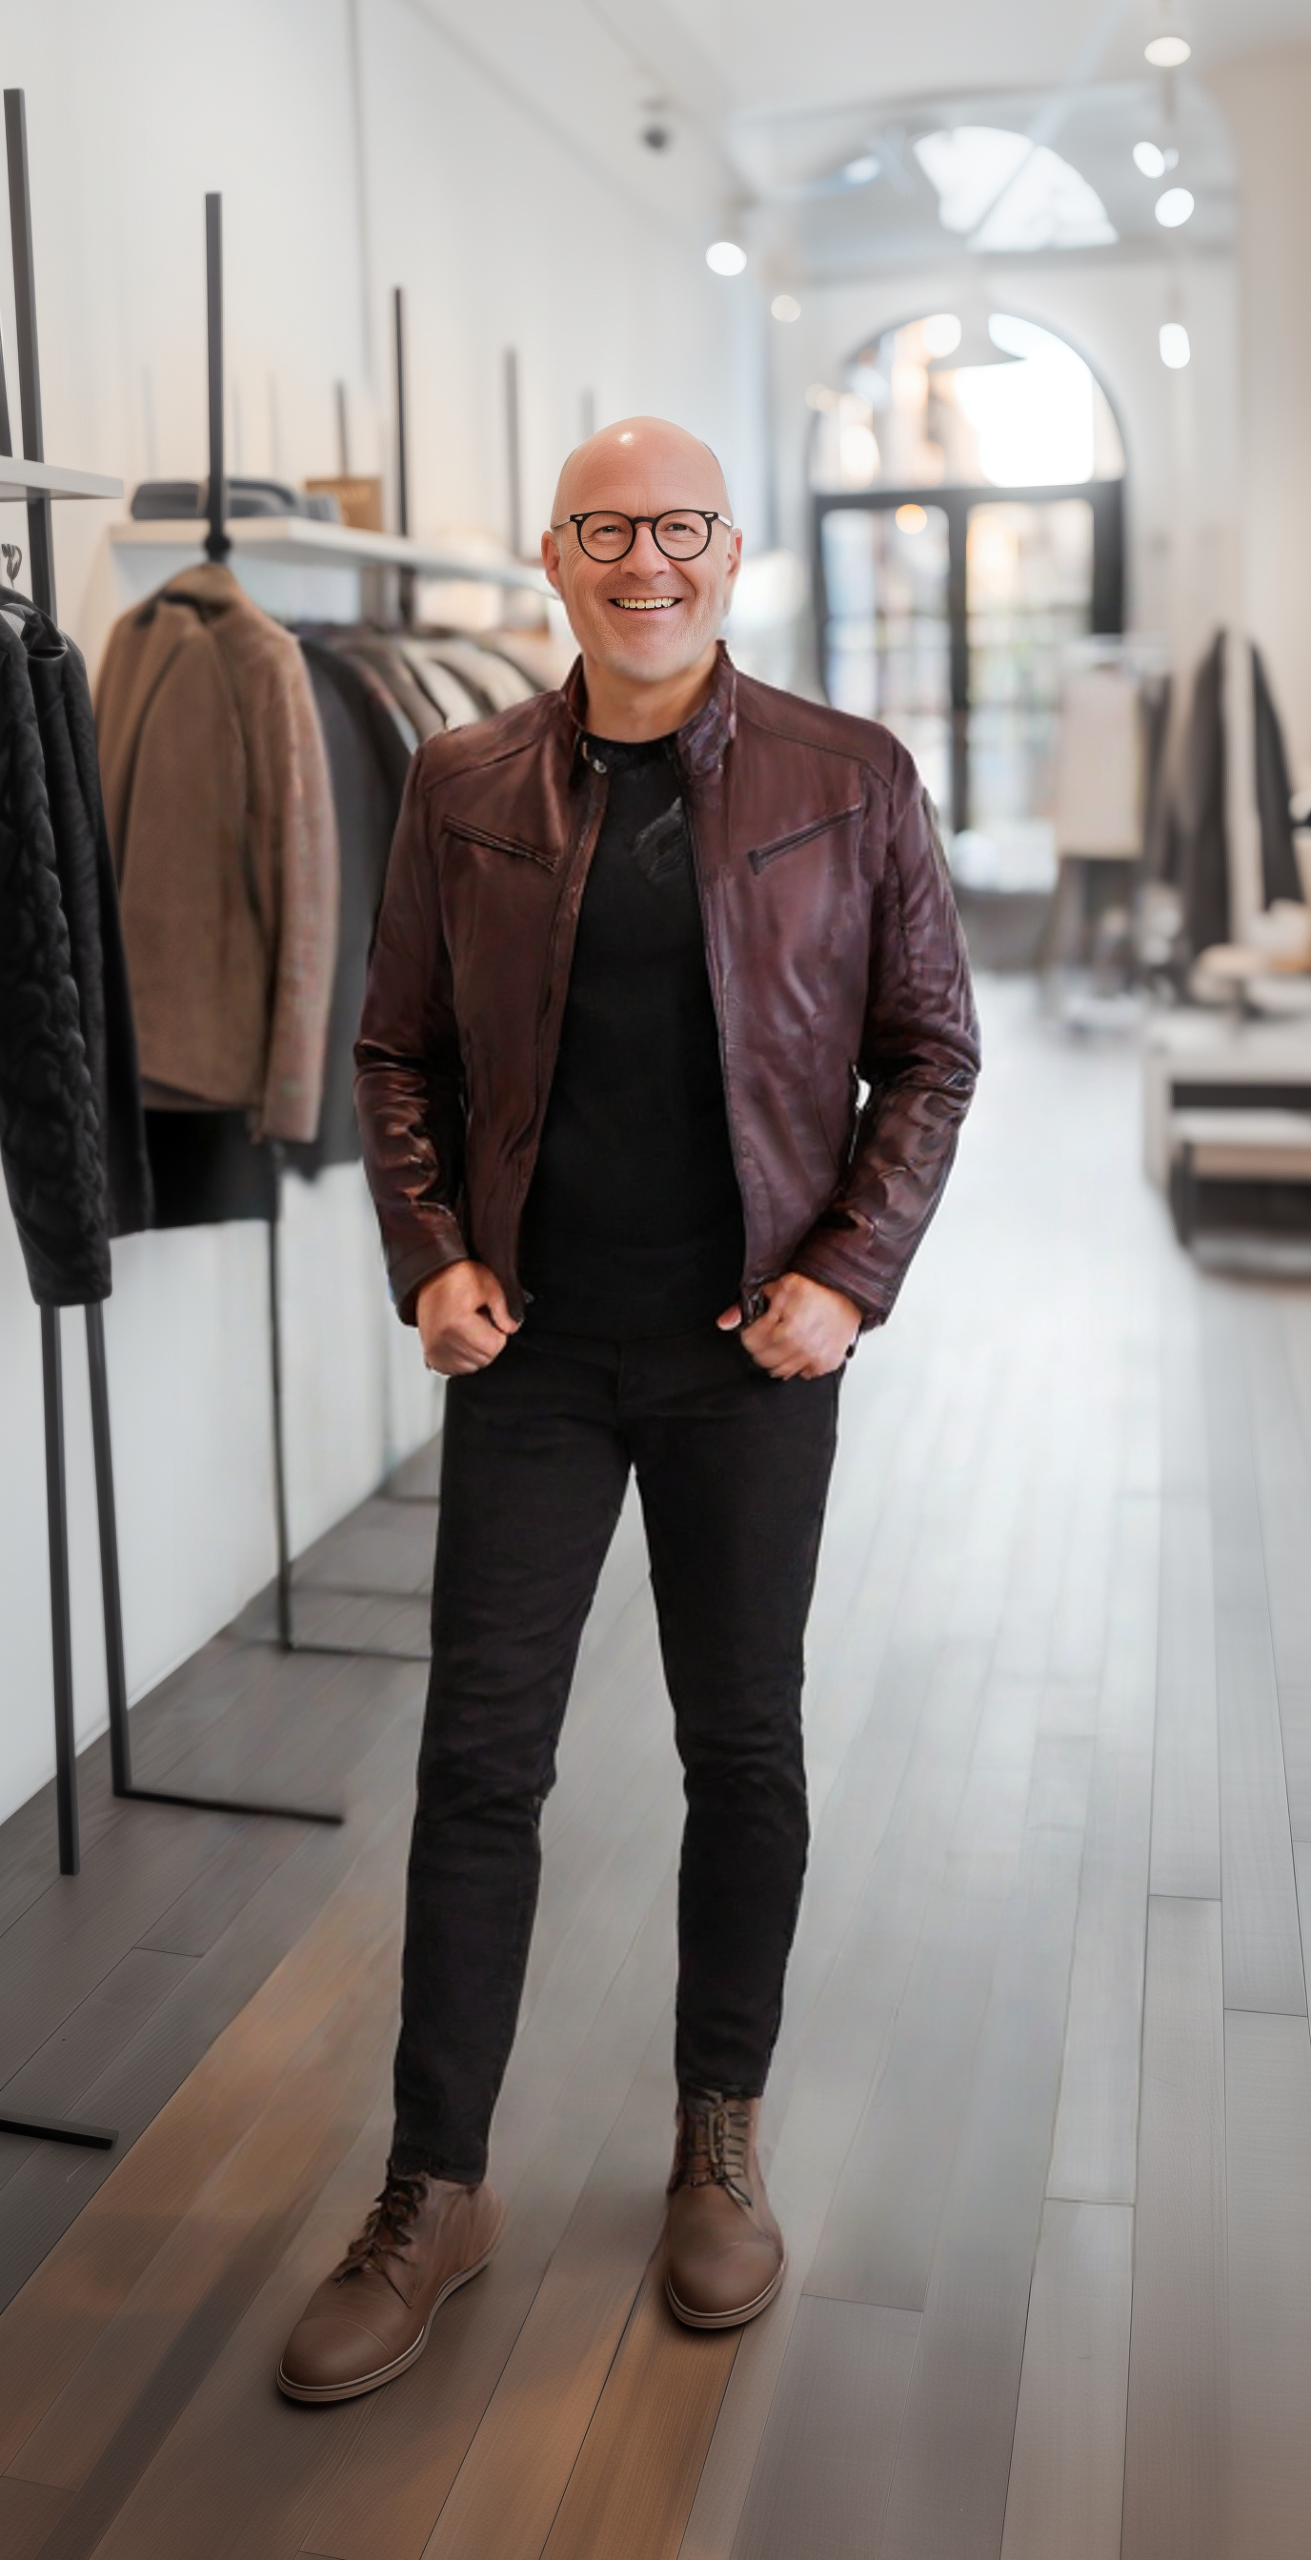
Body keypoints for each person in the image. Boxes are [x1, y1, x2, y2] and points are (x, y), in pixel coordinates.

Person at [277, 417, 979, 2403]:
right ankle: (436, 2184)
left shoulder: (851, 778)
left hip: (748, 1351)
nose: (642, 561)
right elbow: (395, 1047)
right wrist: (429, 1253)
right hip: (533, 1355)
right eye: (605, 530)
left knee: (739, 1746)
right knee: (479, 1763)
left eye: (678, 528)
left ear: (729, 553)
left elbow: (930, 1049)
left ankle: (716, 2137)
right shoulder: (461, 779)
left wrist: (848, 1269)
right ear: (554, 556)